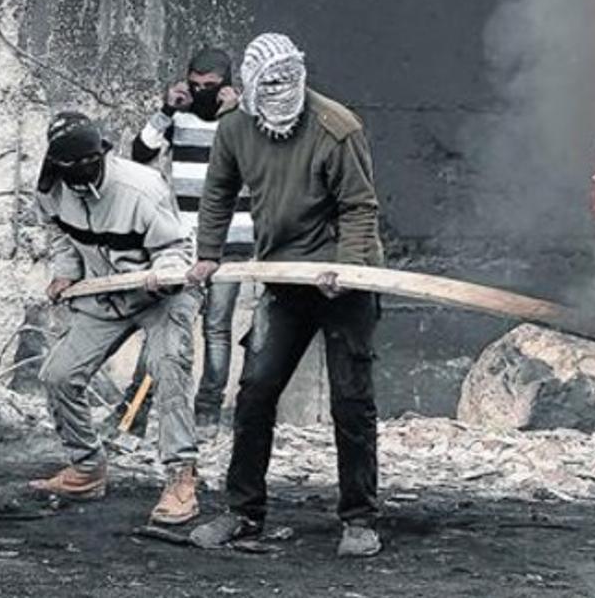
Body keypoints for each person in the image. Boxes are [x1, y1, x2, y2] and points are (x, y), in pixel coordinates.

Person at [184, 33, 386, 557]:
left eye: (287, 82)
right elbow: (218, 192)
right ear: (247, 89)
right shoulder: (234, 130)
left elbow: (359, 208)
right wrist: (208, 253)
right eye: (266, 86)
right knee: (254, 392)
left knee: (351, 399)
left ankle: (359, 519)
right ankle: (243, 513)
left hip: (345, 282)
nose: (279, 93)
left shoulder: (336, 129)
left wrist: (345, 268)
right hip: (282, 279)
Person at [29, 111, 201, 525]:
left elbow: (176, 246)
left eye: (86, 166)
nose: (78, 175)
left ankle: (182, 479)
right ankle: (87, 468)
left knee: (168, 370)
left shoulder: (141, 187)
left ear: (101, 155)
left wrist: (165, 274)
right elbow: (59, 234)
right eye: (67, 169)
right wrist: (66, 271)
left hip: (162, 294)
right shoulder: (50, 188)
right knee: (58, 375)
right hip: (105, 293)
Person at [107, 47, 251, 438]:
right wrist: (167, 109)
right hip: (184, 241)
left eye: (211, 86)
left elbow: (254, 159)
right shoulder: (179, 115)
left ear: (226, 84)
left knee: (217, 329)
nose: (202, 91)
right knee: (166, 325)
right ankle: (133, 413)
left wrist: (236, 113)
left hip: (231, 240)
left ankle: (207, 415)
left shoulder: (243, 119)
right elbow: (140, 154)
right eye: (195, 84)